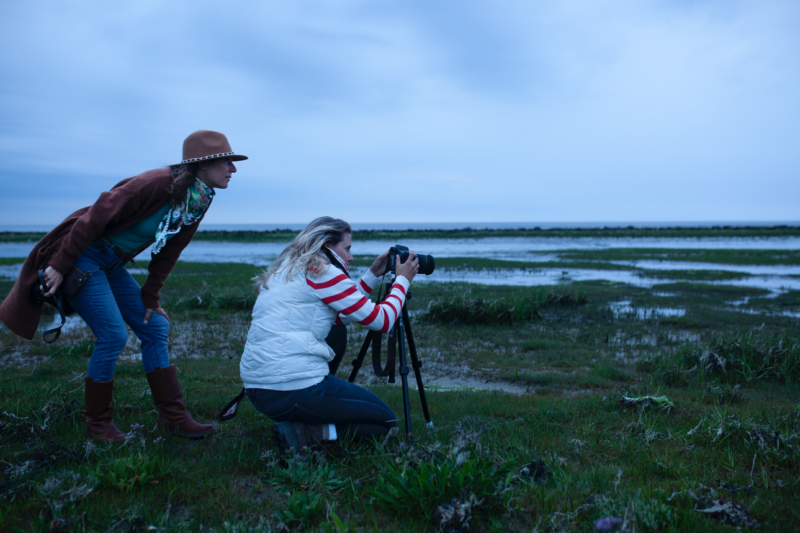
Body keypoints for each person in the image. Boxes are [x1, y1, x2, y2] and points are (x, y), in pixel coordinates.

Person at [0, 130, 247, 442]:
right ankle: (98, 425)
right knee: (113, 335)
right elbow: (94, 216)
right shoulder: (157, 183)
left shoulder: (199, 199)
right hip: (85, 255)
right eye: (227, 161)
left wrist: (150, 296)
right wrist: (61, 264)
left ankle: (172, 416)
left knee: (155, 327)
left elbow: (169, 252)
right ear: (203, 164)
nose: (233, 169)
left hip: (112, 264)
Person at [240, 216, 420, 452]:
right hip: (292, 388)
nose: (351, 257)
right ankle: (306, 433)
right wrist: (402, 281)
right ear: (327, 246)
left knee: (338, 331)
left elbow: (340, 316)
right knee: (386, 422)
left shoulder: (286, 270)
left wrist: (373, 275)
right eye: (347, 248)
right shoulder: (322, 271)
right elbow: (383, 321)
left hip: (259, 390)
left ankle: (299, 423)